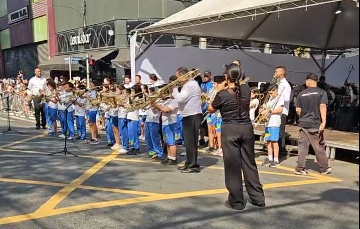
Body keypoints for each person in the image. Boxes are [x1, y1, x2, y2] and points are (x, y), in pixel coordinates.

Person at [208, 63, 265, 211]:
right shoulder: (245, 89)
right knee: (249, 163)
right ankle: (258, 198)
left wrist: (218, 91)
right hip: (246, 128)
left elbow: (210, 109)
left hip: (230, 129)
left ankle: (237, 201)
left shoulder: (222, 94)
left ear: (226, 77)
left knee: (233, 166)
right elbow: (240, 87)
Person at [295, 73, 332, 175]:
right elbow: (322, 106)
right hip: (315, 123)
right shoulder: (322, 92)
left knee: (303, 146)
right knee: (318, 146)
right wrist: (324, 121)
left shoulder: (301, 94)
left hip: (303, 123)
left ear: (308, 80)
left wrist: (303, 116)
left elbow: (298, 110)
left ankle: (300, 168)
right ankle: (324, 168)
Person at [172, 67, 202, 173]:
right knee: (188, 142)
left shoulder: (190, 85)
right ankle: (189, 162)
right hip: (188, 115)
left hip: (193, 116)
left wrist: (174, 89)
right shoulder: (187, 84)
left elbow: (181, 98)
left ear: (182, 75)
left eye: (178, 77)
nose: (177, 79)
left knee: (192, 142)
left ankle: (194, 165)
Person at [261, 85, 285, 168]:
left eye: (272, 92)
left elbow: (280, 109)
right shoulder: (270, 99)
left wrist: (269, 111)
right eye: (269, 92)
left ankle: (276, 160)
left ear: (276, 91)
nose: (270, 94)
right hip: (268, 123)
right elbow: (265, 107)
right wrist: (262, 110)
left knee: (274, 141)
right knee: (268, 141)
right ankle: (270, 158)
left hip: (275, 123)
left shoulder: (280, 98)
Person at [274, 66, 292, 153]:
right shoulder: (278, 83)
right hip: (276, 110)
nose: (275, 73)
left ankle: (281, 149)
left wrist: (277, 96)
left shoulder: (285, 85)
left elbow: (287, 98)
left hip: (282, 111)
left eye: (276, 72)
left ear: (282, 73)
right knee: (275, 129)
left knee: (280, 130)